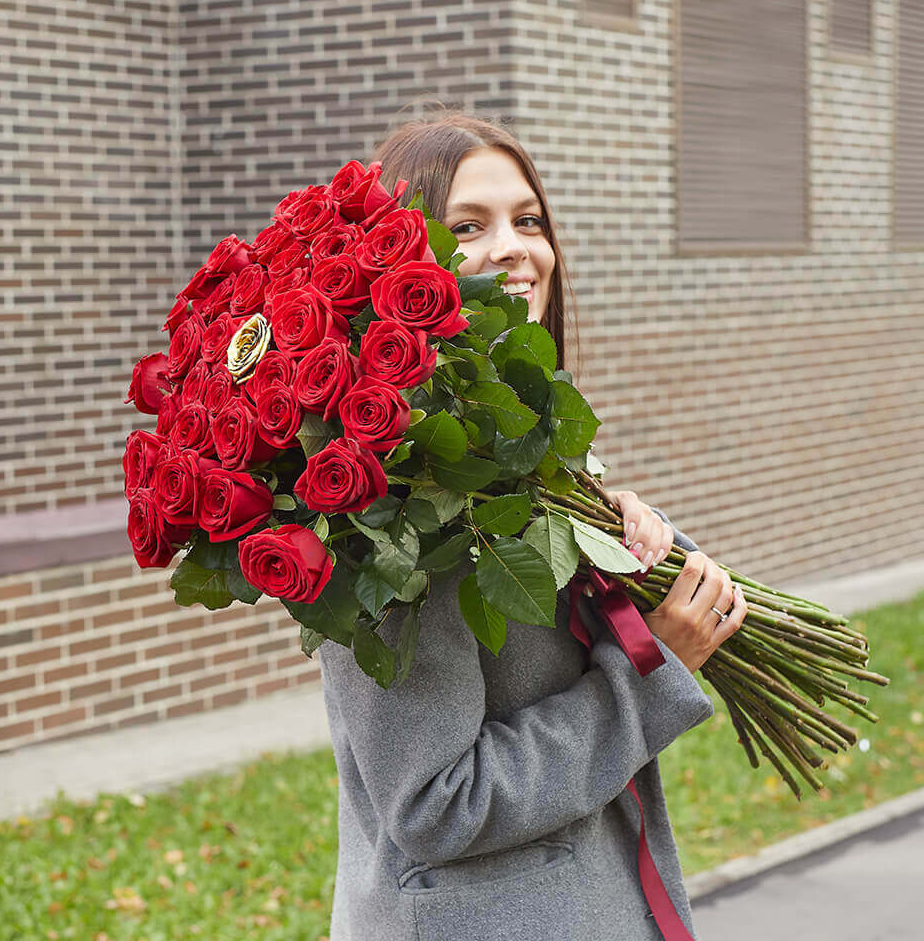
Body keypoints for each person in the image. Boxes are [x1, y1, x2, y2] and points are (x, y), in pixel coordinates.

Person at [315, 108, 748, 940]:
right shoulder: (392, 502)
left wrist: (614, 527)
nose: (516, 247)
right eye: (468, 227)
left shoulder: (504, 444)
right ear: (399, 264)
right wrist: (647, 676)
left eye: (528, 220)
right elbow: (438, 803)